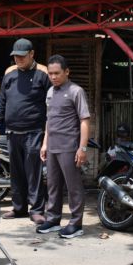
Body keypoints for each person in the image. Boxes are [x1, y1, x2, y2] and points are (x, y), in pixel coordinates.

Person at [0, 38, 50, 225]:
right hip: (12, 132)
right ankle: (19, 208)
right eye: (15, 56)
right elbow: (2, 102)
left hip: (34, 131)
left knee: (33, 172)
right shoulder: (9, 73)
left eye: (21, 56)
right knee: (16, 172)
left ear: (32, 54)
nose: (18, 59)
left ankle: (37, 209)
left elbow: (51, 104)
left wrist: (49, 132)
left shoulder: (43, 73)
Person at [38, 55, 90, 238]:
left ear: (67, 72)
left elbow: (84, 121)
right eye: (50, 74)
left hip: (69, 146)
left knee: (73, 186)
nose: (53, 77)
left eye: (57, 73)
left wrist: (82, 148)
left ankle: (76, 224)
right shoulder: (50, 92)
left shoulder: (76, 91)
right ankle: (52, 219)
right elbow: (49, 120)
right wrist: (44, 144)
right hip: (52, 146)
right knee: (52, 185)